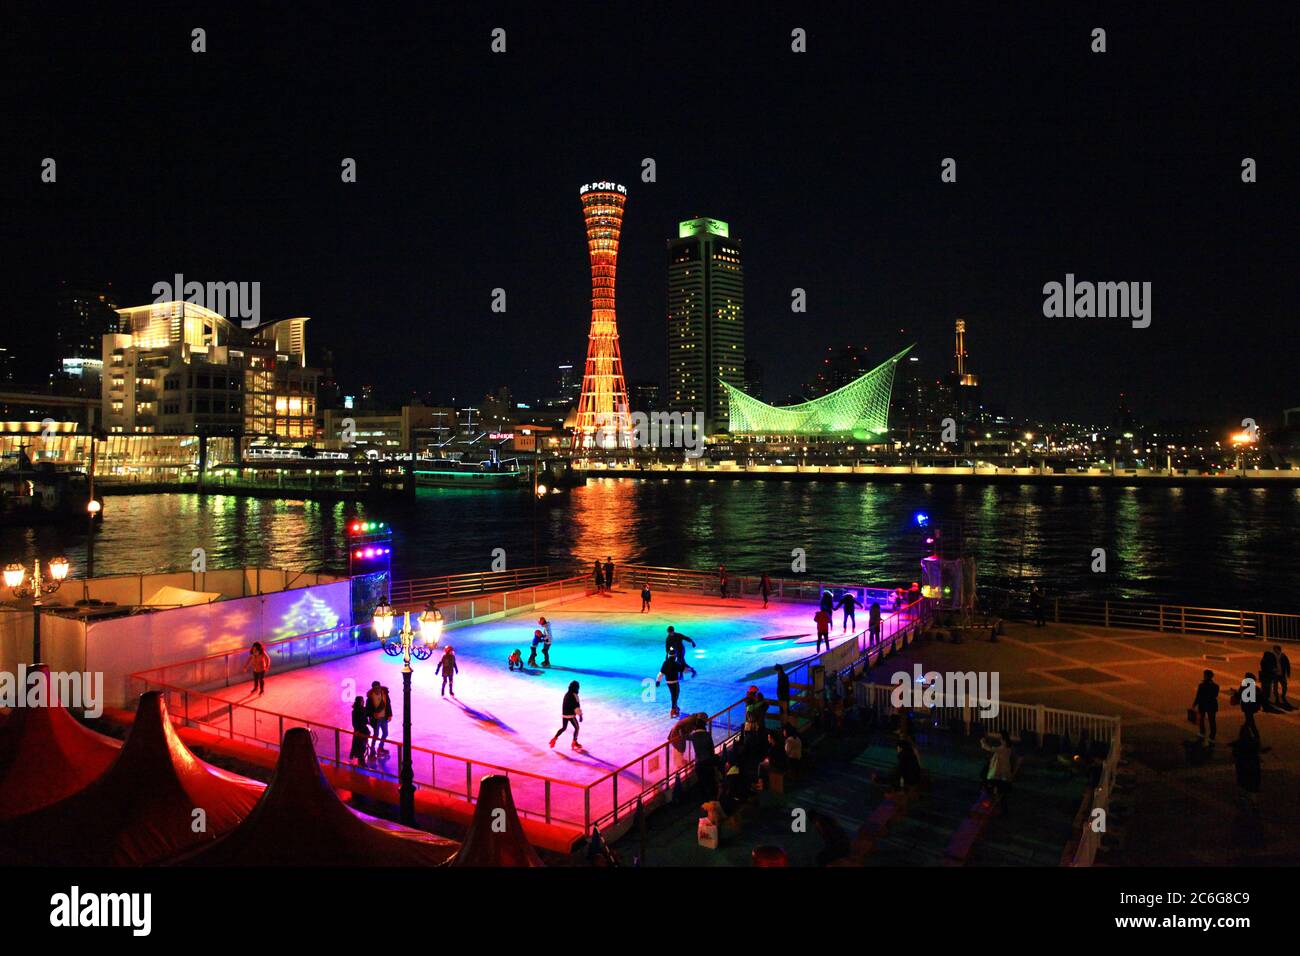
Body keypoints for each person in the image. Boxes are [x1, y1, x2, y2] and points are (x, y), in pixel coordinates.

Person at [1230, 723, 1261, 807]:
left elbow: (1235, 754)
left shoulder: (1239, 744)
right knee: (1253, 786)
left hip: (1242, 767)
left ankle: (1242, 800)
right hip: (1253, 767)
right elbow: (1258, 750)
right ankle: (1254, 803)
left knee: (1242, 783)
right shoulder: (1254, 742)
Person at [981, 732, 1013, 810]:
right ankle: (999, 807)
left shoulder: (1002, 749)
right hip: (1003, 774)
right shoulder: (1008, 749)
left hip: (999, 774)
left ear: (1004, 740)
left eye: (1001, 739)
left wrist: (982, 741)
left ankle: (993, 804)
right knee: (1000, 792)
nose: (1000, 741)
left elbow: (989, 748)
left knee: (993, 787)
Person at [550, 680, 583, 751]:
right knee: (577, 728)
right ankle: (574, 742)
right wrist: (580, 716)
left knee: (564, 728)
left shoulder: (567, 694)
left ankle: (554, 738)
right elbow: (577, 707)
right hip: (570, 715)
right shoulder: (575, 695)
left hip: (564, 714)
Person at [1192, 669, 1220, 744]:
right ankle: (1212, 736)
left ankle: (1202, 732)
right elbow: (1215, 695)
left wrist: (1194, 704)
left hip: (1203, 704)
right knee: (1212, 721)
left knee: (1202, 719)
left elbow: (1198, 696)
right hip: (1212, 704)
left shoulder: (1202, 685)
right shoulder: (1216, 686)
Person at [366, 680, 391, 754]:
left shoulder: (384, 695)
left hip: (384, 718)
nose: (377, 689)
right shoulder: (370, 698)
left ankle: (380, 747)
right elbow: (367, 710)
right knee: (376, 734)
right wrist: (373, 714)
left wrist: (389, 714)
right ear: (373, 689)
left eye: (378, 687)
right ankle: (372, 748)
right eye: (375, 688)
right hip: (376, 720)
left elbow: (388, 705)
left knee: (385, 733)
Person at [1237, 672, 1261, 741]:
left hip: (1246, 706)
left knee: (1249, 720)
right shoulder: (1255, 687)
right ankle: (1255, 735)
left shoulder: (1244, 686)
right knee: (1250, 720)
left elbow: (1239, 695)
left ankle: (1246, 732)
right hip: (1251, 707)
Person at [349, 695, 370, 766]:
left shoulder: (359, 710)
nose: (363, 702)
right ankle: (361, 761)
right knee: (361, 745)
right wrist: (357, 730)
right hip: (360, 730)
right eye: (362, 700)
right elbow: (355, 722)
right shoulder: (357, 711)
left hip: (361, 730)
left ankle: (361, 760)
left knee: (361, 745)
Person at [1259, 647, 1278, 711]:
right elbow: (1269, 669)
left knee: (1265, 689)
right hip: (1267, 678)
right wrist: (1273, 670)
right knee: (1266, 690)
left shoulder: (1263, 661)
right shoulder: (1266, 662)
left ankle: (1265, 701)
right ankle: (1265, 703)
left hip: (1265, 678)